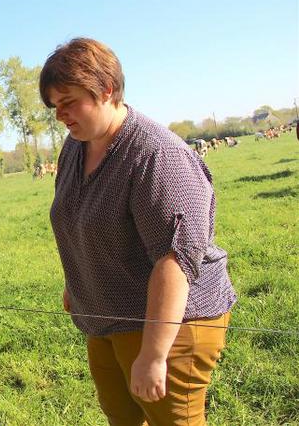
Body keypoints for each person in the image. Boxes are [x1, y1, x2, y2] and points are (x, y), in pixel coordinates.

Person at [39, 38, 236, 426]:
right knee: (123, 418)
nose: (60, 115)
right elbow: (78, 219)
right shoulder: (77, 145)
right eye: (54, 106)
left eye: (68, 102)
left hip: (171, 325)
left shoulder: (156, 154)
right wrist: (78, 284)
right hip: (106, 316)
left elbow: (175, 259)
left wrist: (154, 354)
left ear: (107, 89)